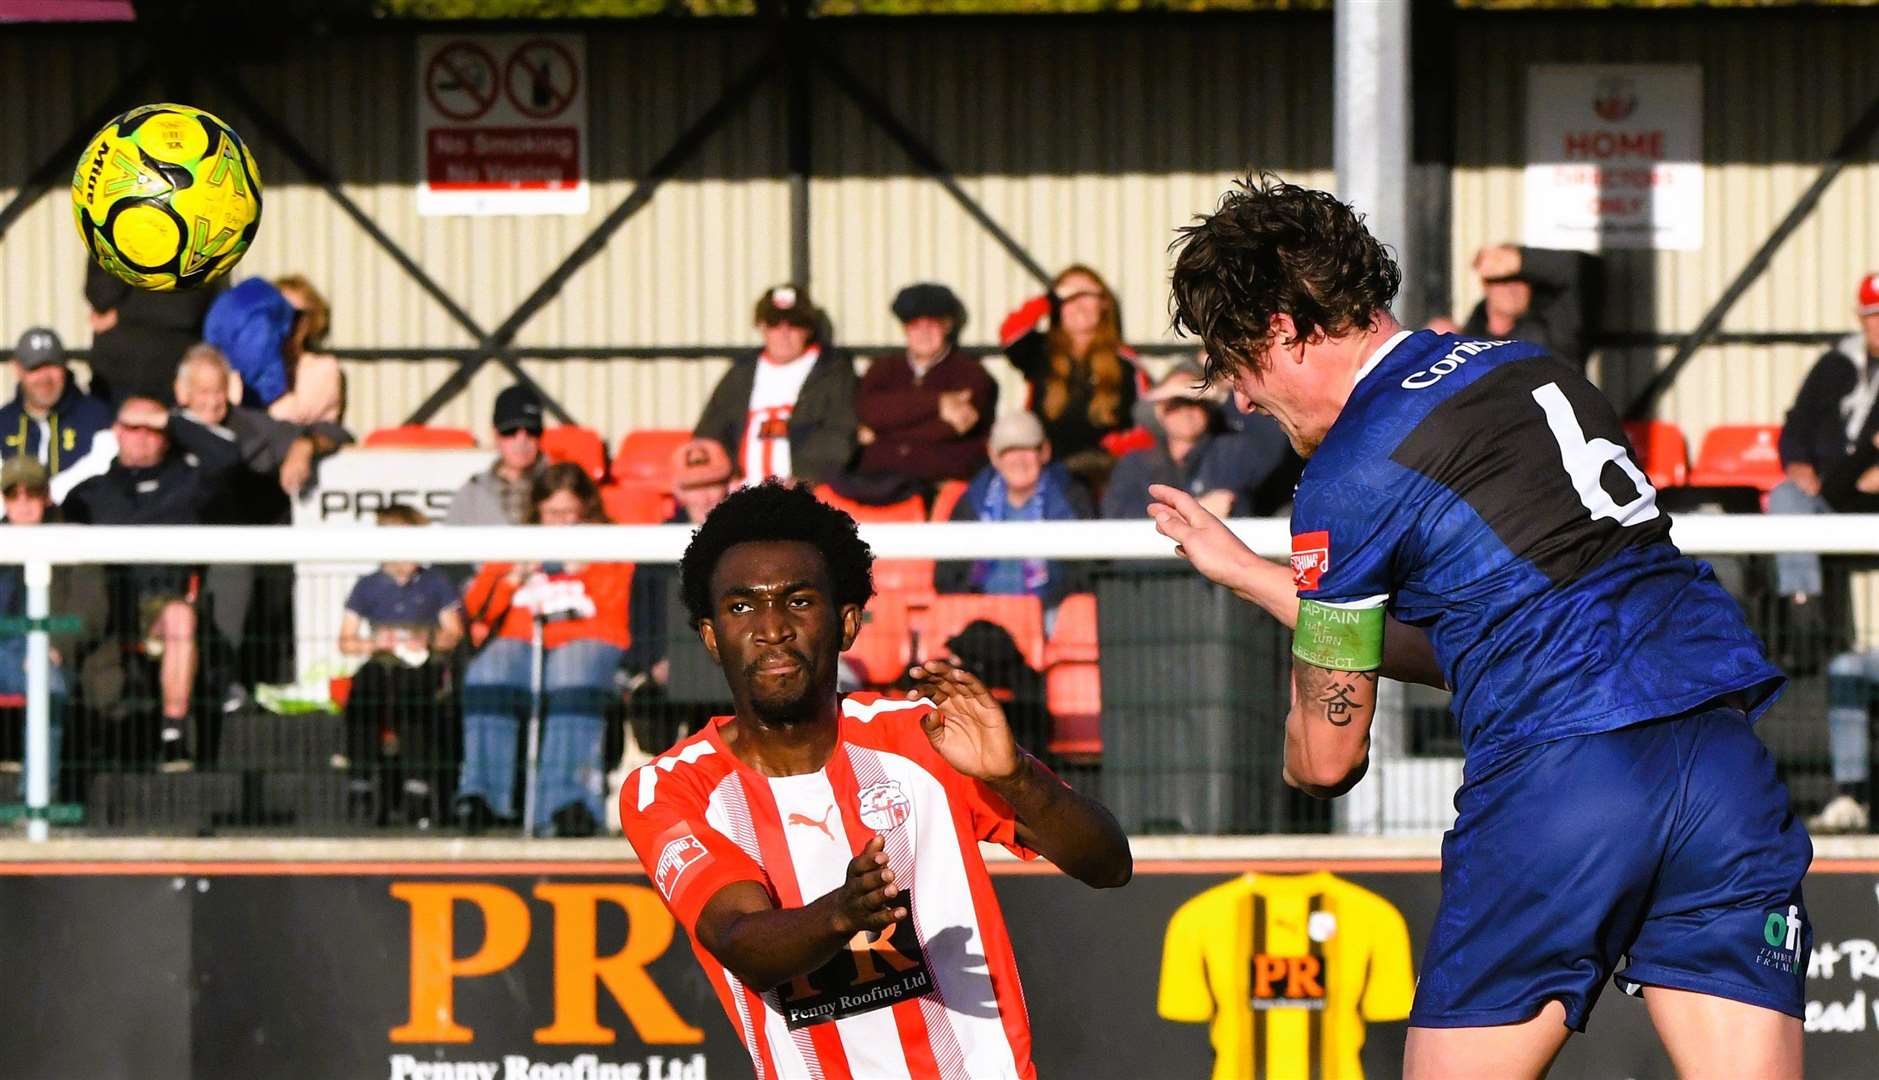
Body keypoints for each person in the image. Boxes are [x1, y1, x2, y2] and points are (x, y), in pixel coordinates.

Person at [1150, 175, 1805, 1079]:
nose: (1242, 401)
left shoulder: (1351, 470)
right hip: (1720, 763)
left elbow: (1327, 760)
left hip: (1563, 781)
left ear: (1282, 331)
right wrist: (1257, 579)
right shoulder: (1531, 369)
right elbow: (1491, 634)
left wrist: (1300, 733)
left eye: (1236, 366)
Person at [619, 481, 1131, 1079]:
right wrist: (844, 912)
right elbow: (740, 941)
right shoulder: (672, 789)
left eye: (799, 601)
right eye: (741, 606)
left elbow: (1109, 865)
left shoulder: (922, 738)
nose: (772, 627)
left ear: (847, 624)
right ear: (710, 637)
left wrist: (1019, 779)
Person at [64, 396, 241, 771]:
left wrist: (175, 420)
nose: (142, 438)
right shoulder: (91, 492)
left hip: (162, 606)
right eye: (133, 428)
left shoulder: (187, 484)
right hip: (105, 608)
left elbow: (228, 458)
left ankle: (173, 734)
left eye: (153, 430)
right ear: (116, 433)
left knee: (180, 616)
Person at [458, 464, 632, 836]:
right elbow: (477, 607)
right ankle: (482, 797)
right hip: (523, 638)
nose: (562, 523)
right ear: (537, 511)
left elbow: (616, 610)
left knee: (571, 673)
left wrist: (587, 569)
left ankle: (567, 802)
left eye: (570, 513)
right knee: (489, 671)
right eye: (553, 514)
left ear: (586, 510)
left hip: (586, 637)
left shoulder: (611, 542)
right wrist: (512, 578)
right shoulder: (520, 541)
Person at [336, 504, 465, 828]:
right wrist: (376, 643)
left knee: (413, 694)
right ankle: (360, 785)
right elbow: (346, 640)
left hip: (422, 663)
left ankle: (416, 788)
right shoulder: (367, 585)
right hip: (383, 660)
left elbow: (454, 632)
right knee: (364, 691)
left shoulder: (434, 582)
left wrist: (428, 640)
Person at [1768, 272, 1879, 644]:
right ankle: (1804, 614)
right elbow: (1797, 422)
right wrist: (1798, 462)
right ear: (1859, 317)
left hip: (1870, 500)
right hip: (1828, 494)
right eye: (1872, 314)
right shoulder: (1834, 366)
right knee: (1786, 495)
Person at [624, 438, 736, 754]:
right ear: (679, 492)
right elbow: (641, 614)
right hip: (673, 667)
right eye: (694, 487)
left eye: (712, 484)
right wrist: (654, 661)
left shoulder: (749, 540)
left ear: (728, 485)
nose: (705, 497)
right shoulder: (656, 546)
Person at [0, 458, 107, 776]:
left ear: (46, 496)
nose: (23, 504)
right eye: (13, 495)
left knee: (45, 680)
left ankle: (39, 802)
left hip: (43, 646)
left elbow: (92, 606)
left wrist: (57, 643)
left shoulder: (72, 539)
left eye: (31, 494)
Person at [935, 411, 1093, 623]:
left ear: (1045, 451)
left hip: (1050, 613)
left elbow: (1087, 572)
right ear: (993, 456)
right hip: (982, 617)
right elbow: (945, 576)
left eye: (1027, 449)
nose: (1019, 460)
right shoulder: (973, 502)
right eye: (1009, 451)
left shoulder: (1070, 499)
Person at [998, 265, 1146, 489]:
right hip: (1047, 471)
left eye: (1086, 295)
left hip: (1105, 471)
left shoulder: (1124, 361)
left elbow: (1144, 422)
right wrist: (1048, 300)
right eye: (1068, 298)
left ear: (1104, 304)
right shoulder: (1040, 351)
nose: (1078, 305)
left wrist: (1114, 448)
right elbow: (1010, 334)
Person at [694, 285, 857, 488]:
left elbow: (840, 434)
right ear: (761, 326)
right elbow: (710, 432)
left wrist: (803, 478)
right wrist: (722, 477)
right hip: (738, 495)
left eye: (794, 324)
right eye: (774, 323)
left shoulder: (833, 373)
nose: (784, 332)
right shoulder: (741, 374)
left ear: (808, 329)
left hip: (803, 495)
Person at [851, 282, 998, 495]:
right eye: (915, 326)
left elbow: (952, 428)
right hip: (879, 483)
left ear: (947, 326)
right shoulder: (882, 369)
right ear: (905, 329)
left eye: (932, 325)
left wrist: (882, 435)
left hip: (941, 483)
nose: (924, 333)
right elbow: (868, 410)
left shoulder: (971, 373)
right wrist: (938, 403)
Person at [201, 274, 345, 427]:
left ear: (311, 321)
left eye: (295, 316)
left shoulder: (323, 368)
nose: (287, 324)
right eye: (277, 315)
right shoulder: (245, 367)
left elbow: (289, 416)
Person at [1102, 361, 1237, 521]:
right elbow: (1117, 516)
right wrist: (1195, 511)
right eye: (1176, 403)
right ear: (1159, 411)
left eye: (1195, 402)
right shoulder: (1135, 464)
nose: (1186, 411)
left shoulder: (1231, 455)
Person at [1430, 244, 1596, 369]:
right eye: (1503, 281)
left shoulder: (1555, 325)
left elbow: (1578, 270)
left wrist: (1522, 261)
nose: (1512, 289)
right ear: (1485, 286)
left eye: (1520, 279)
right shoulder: (1467, 343)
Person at [0, 327, 114, 506]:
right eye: (35, 368)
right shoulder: (3, 422)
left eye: (52, 365)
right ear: (18, 369)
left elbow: (104, 474)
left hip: (79, 525)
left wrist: (53, 494)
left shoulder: (99, 417)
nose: (44, 377)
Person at [84, 261, 217, 404]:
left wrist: (122, 313)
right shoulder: (118, 241)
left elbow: (186, 309)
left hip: (168, 378)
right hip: (113, 380)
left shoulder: (190, 244)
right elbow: (101, 296)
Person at [444, 385, 548, 527]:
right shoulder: (472, 494)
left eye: (532, 431)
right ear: (495, 434)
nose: (521, 441)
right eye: (510, 431)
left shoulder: (560, 488)